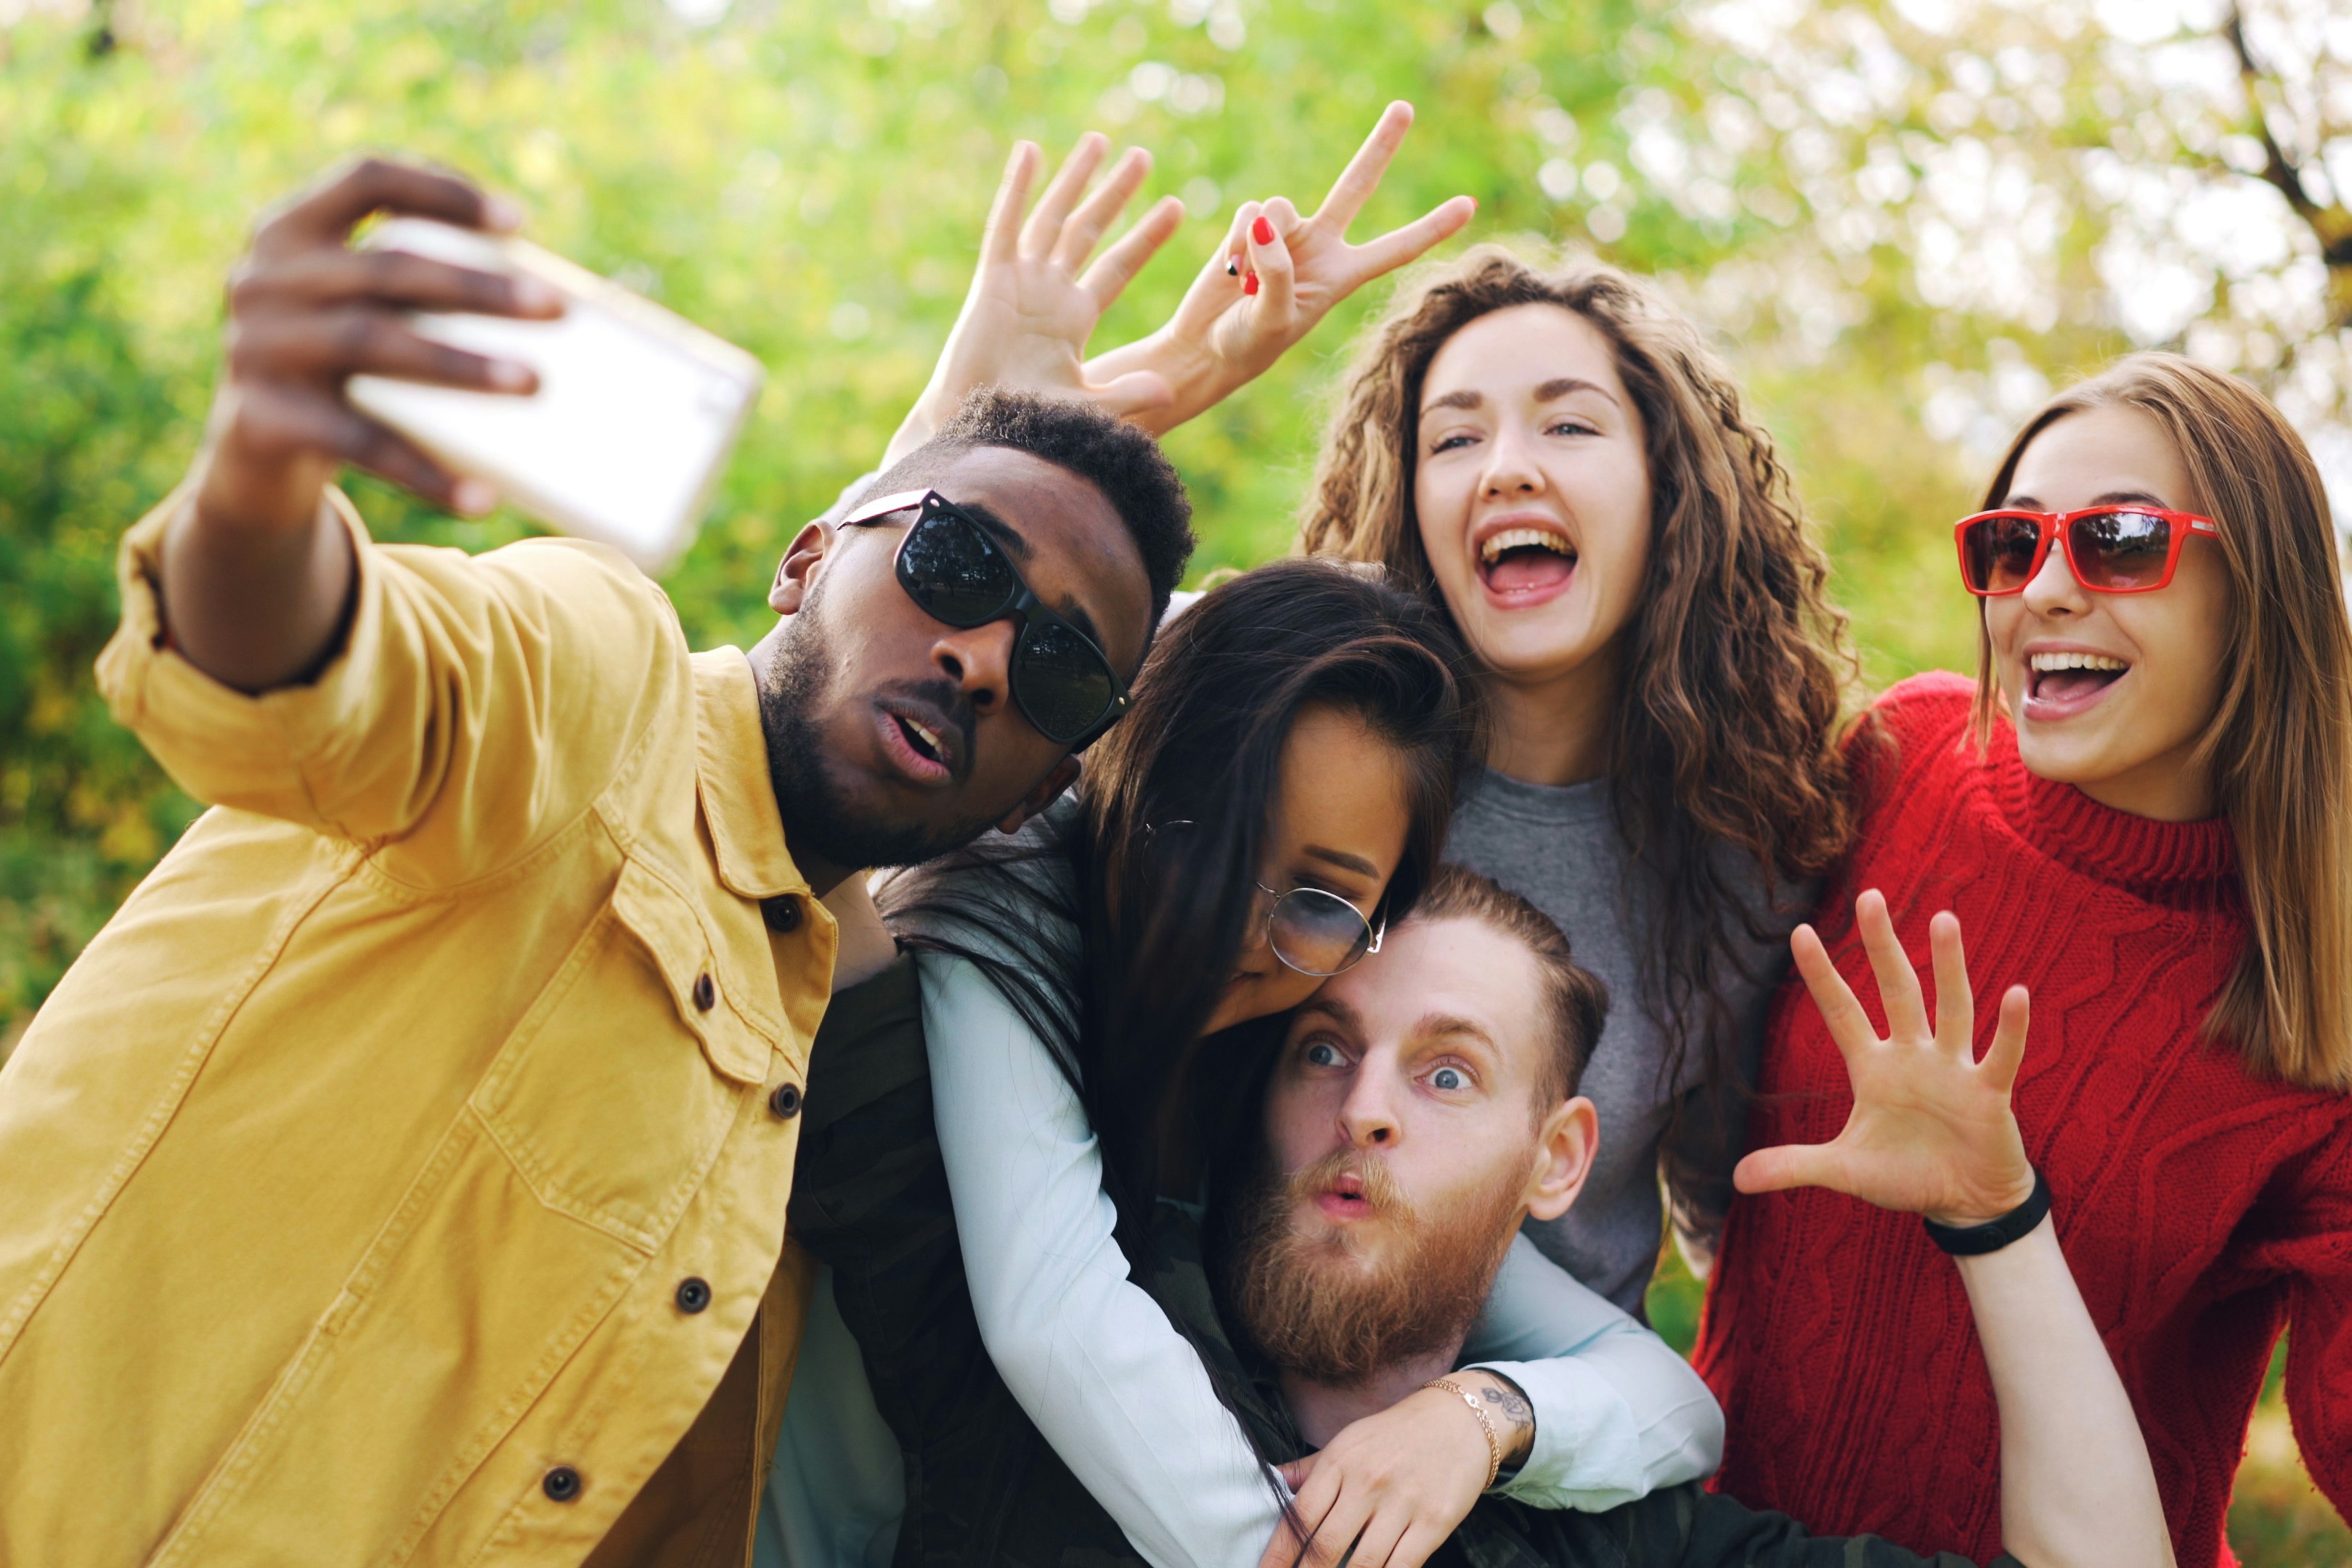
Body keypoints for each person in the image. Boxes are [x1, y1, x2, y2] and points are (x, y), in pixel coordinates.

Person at [0, 155, 1197, 1568]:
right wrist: (256, 475)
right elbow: (311, 672)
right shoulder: (592, 672)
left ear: (1037, 799)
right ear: (806, 559)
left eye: (1064, 670)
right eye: (957, 565)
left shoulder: (818, 1054)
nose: (989, 657)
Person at [835, 118, 1848, 1564]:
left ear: (1669, 489)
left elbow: (1702, 1291)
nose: (1506, 466)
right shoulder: (1250, 714)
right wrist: (1011, 414)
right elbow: (869, 669)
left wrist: (1502, 1419)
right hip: (1203, 1417)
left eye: (1568, 422)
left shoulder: (1743, 836)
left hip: (1512, 1454)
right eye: (1454, 435)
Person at [799, 857, 2174, 1568]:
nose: (1370, 1106)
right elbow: (851, 880)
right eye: (1323, 1049)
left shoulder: (1624, 1539)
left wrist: (1998, 1217)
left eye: (1448, 1070)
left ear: (1559, 1160)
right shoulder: (1029, 1360)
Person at [763, 556, 1725, 1568]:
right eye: (1198, 840)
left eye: (1319, 900)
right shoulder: (994, 922)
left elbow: (1666, 1403)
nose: (1225, 927)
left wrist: (1476, 1419)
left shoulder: (1301, 1070)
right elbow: (1052, 1322)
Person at [1693, 354, 2352, 1566]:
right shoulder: (1901, 752)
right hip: (1717, 1540)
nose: (2044, 588)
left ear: (2258, 592)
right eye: (2012, 544)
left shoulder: (2316, 993)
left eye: (2116, 541)